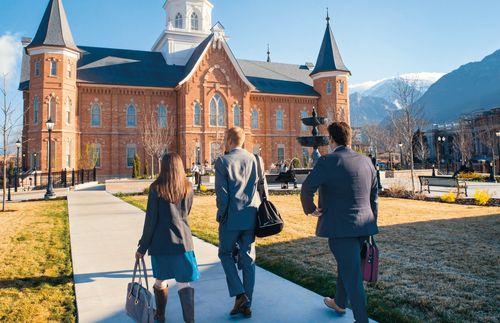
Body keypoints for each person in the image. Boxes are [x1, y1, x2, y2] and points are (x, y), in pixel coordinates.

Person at [300, 122, 378, 323]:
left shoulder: (328, 161)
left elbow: (306, 188)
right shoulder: (367, 162)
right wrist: (371, 223)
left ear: (332, 140)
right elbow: (373, 197)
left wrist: (311, 209)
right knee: (348, 266)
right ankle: (340, 303)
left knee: (352, 276)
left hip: (339, 228)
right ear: (349, 139)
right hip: (364, 226)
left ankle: (361, 320)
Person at [136, 153, 199, 323]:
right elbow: (187, 212)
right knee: (184, 282)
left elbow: (151, 220)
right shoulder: (188, 187)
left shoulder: (156, 188)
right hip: (183, 242)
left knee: (160, 280)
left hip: (161, 243)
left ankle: (160, 315)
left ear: (163, 167)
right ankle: (189, 321)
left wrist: (142, 247)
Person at [215, 127, 267, 318]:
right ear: (243, 141)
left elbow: (222, 194)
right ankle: (247, 304)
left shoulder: (222, 161)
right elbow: (263, 187)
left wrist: (221, 214)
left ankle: (240, 294)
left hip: (231, 218)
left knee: (225, 253)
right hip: (251, 217)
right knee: (248, 260)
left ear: (228, 140)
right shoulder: (255, 159)